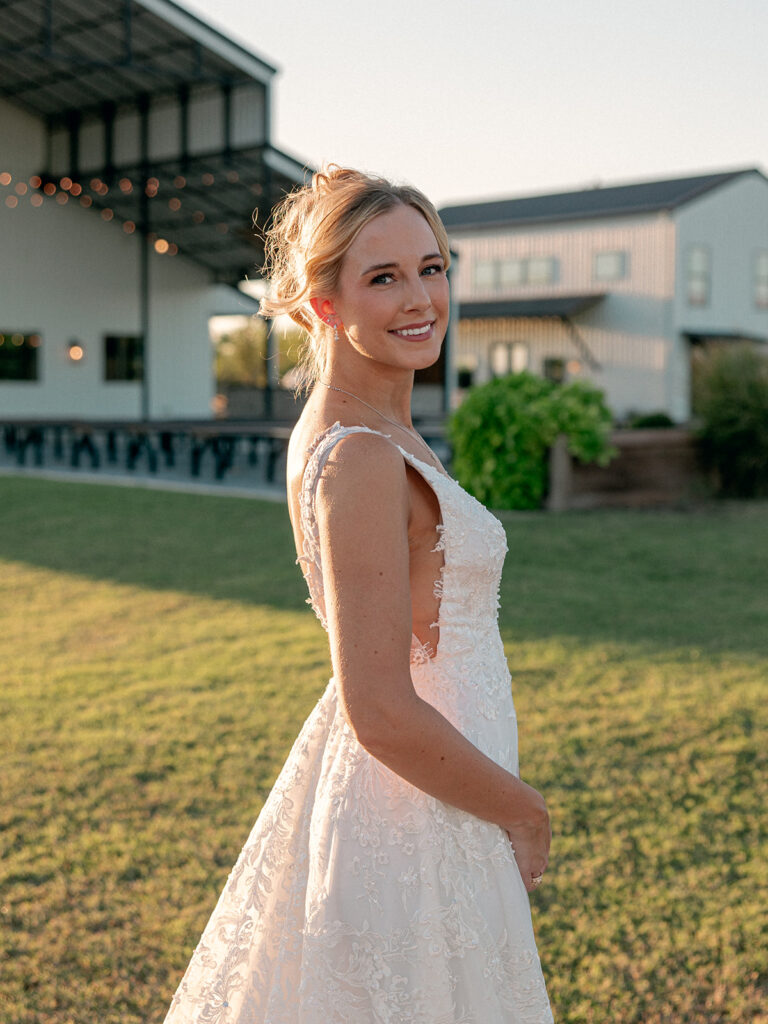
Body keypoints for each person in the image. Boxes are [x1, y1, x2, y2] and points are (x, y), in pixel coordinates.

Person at [164, 166, 553, 1023]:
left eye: (432, 267)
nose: (421, 299)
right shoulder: (360, 455)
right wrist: (523, 810)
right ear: (323, 304)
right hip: (415, 812)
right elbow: (376, 706)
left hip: (436, 787)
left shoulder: (372, 428)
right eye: (383, 277)